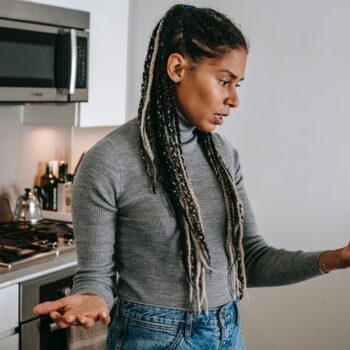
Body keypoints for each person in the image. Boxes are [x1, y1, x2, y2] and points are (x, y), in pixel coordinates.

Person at [33, 4, 350, 349]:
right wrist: (93, 298)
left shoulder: (224, 156)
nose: (234, 99)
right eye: (225, 81)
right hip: (152, 336)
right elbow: (94, 276)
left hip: (227, 331)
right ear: (177, 68)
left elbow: (250, 258)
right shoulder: (108, 161)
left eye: (238, 83)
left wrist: (336, 259)